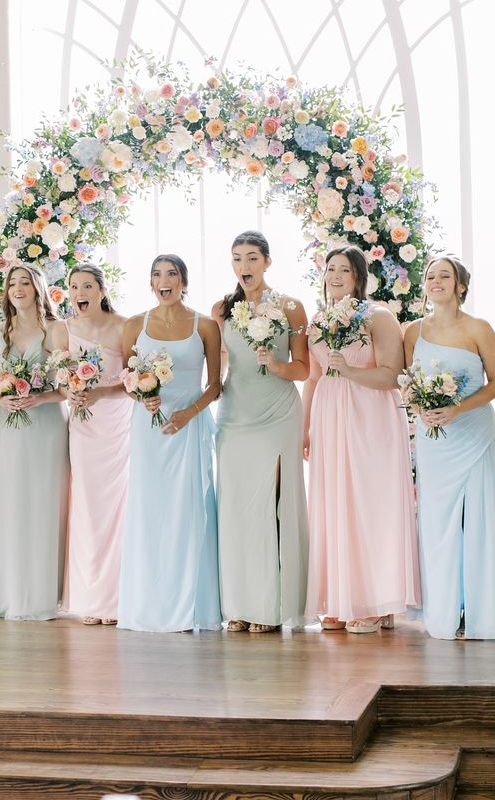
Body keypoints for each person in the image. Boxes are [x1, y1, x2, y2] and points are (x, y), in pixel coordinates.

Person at [304, 246, 420, 633]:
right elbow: (314, 378)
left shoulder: (379, 315)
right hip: (329, 415)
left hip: (370, 415)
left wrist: (349, 372)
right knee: (334, 504)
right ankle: (341, 598)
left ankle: (376, 601)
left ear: (359, 277)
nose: (335, 275)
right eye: (330, 268)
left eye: (345, 270)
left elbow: (392, 375)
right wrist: (305, 428)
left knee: (370, 503)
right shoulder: (318, 318)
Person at [118, 254, 222, 633]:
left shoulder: (206, 326)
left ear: (183, 281)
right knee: (150, 513)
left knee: (189, 511)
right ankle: (148, 605)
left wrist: (187, 414)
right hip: (149, 431)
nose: (165, 280)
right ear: (150, 282)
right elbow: (128, 379)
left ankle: (193, 608)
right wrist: (142, 398)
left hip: (189, 427)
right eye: (158, 275)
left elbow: (215, 386)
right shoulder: (134, 325)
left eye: (172, 274)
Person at [212, 231, 309, 633]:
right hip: (235, 414)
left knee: (271, 506)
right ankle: (238, 606)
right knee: (235, 508)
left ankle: (270, 609)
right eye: (237, 259)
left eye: (252, 258)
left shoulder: (290, 307)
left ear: (267, 262)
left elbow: (303, 368)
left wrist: (275, 363)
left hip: (277, 412)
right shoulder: (221, 308)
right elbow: (216, 365)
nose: (244, 267)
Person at [404, 255, 495, 640]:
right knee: (437, 525)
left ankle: (482, 615)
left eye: (445, 275)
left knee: (481, 523)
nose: (436, 281)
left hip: (474, 434)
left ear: (460, 286)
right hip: (433, 440)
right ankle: (444, 615)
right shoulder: (411, 332)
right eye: (430, 276)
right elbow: (408, 383)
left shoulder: (478, 328)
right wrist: (422, 407)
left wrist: (458, 408)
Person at [0, 264, 70, 620]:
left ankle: (41, 596)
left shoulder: (56, 330)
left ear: (38, 288)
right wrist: (0, 398)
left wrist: (39, 398)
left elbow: (68, 387)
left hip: (45, 426)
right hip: (10, 428)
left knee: (43, 504)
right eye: (12, 283)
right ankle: (10, 594)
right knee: (11, 504)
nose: (18, 288)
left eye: (25, 283)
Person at [61, 264, 131, 625]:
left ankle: (116, 599)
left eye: (87, 286)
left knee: (116, 507)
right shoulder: (66, 329)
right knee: (86, 505)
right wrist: (70, 392)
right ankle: (90, 598)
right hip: (83, 428)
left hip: (116, 425)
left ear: (102, 290)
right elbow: (58, 379)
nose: (79, 292)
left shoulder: (123, 326)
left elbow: (134, 380)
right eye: (74, 287)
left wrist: (100, 391)